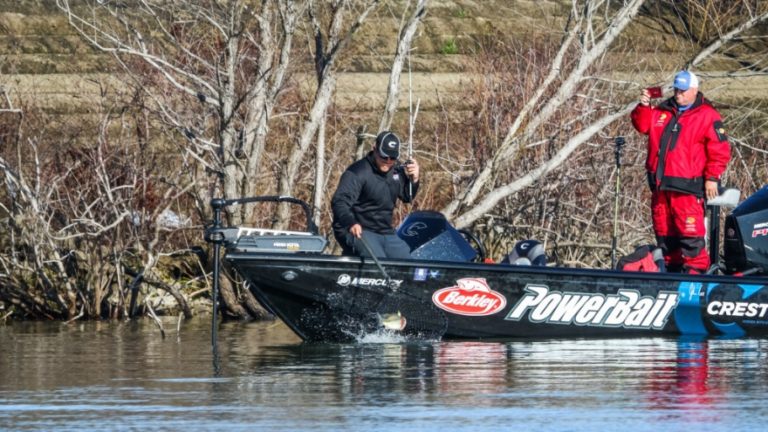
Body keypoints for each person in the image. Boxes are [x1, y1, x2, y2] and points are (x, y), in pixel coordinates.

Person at [631, 70, 731, 273]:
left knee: (690, 236)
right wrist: (643, 106)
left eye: (684, 91)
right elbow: (642, 126)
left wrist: (712, 177)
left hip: (687, 186)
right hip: (660, 185)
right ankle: (670, 274)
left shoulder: (707, 115)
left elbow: (720, 150)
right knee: (665, 234)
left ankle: (696, 277)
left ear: (694, 90)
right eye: (677, 90)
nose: (679, 94)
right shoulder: (662, 111)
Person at [331, 131, 420, 259]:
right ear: (374, 149)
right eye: (384, 156)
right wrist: (351, 222)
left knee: (408, 265)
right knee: (378, 262)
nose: (388, 161)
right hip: (357, 228)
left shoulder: (396, 170)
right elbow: (339, 202)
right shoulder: (357, 172)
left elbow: (407, 197)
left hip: (385, 231)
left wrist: (414, 179)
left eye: (393, 157)